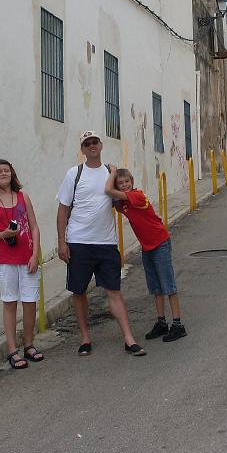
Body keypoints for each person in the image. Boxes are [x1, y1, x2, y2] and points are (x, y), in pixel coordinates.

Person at [56, 131, 145, 357]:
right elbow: (63, 209)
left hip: (106, 242)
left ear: (101, 145)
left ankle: (129, 338)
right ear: (83, 149)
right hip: (79, 242)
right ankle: (85, 337)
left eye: (95, 142)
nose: (92, 146)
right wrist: (62, 242)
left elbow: (123, 201)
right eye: (87, 143)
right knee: (79, 291)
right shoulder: (74, 174)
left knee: (114, 290)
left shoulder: (110, 173)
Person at [105, 167, 187, 343]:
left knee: (168, 283)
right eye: (121, 183)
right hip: (147, 246)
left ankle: (178, 324)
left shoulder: (137, 196)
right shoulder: (124, 203)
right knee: (155, 286)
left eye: (127, 181)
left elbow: (107, 191)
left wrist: (111, 173)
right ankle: (161, 322)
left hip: (160, 242)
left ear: (132, 182)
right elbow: (110, 199)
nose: (124, 185)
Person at [0, 159, 43, 370]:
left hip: (27, 258)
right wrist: (3, 234)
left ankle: (29, 345)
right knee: (10, 302)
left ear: (12, 173)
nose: (4, 174)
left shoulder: (24, 197)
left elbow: (34, 227)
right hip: (5, 260)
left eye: (7, 170)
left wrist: (35, 255)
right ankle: (12, 350)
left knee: (30, 301)